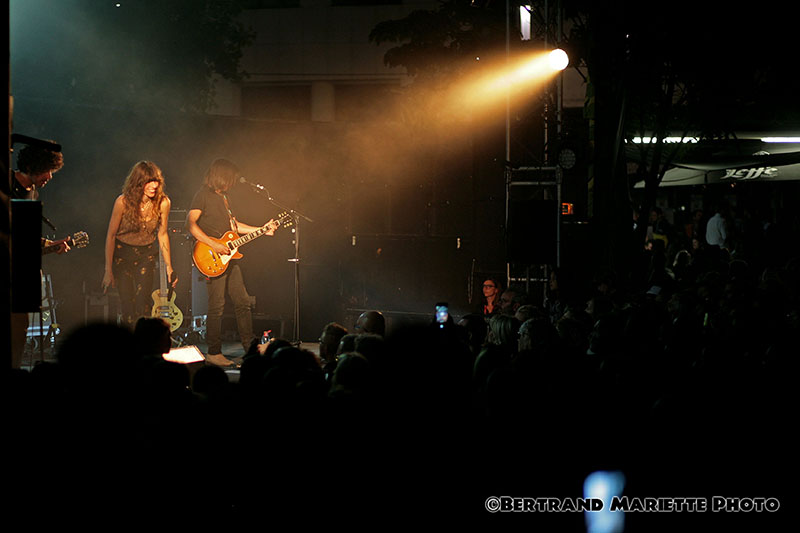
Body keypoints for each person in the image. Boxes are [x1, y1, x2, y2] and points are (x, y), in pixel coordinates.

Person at [187, 158, 274, 367]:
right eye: (231, 178)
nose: (233, 182)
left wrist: (262, 229)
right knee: (217, 305)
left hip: (229, 258)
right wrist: (214, 245)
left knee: (242, 302)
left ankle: (250, 349)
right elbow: (190, 224)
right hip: (210, 255)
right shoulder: (202, 195)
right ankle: (214, 352)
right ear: (222, 176)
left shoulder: (225, 198)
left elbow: (234, 227)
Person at [10, 142, 67, 368]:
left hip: (21, 273)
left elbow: (24, 235)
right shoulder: (7, 183)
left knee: (19, 328)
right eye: (47, 170)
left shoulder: (32, 193)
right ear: (33, 166)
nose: (49, 177)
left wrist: (49, 244)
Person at [103, 161, 176, 328]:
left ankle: (144, 340)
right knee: (127, 302)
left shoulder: (163, 202)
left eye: (156, 181)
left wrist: (169, 266)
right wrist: (108, 270)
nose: (154, 186)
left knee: (143, 302)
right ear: (138, 182)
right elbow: (111, 236)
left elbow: (162, 234)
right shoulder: (122, 202)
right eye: (149, 182)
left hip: (146, 254)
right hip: (122, 255)